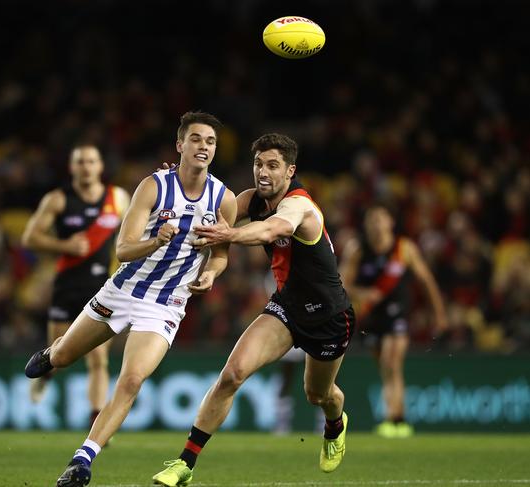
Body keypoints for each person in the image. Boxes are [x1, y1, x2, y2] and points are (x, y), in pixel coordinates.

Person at [24, 111, 237, 487]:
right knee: (63, 357)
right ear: (180, 145)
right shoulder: (153, 187)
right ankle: (52, 353)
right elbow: (122, 250)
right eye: (197, 139)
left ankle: (83, 460)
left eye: (211, 142)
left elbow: (221, 254)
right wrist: (157, 240)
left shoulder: (224, 199)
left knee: (132, 379)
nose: (204, 147)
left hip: (166, 305)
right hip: (121, 292)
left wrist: (211, 273)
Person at [152, 133, 356, 487]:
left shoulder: (299, 206)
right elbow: (211, 206)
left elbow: (270, 230)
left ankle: (336, 424)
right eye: (259, 164)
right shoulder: (252, 199)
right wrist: (179, 180)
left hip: (329, 316)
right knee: (232, 374)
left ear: (290, 171)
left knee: (317, 394)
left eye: (273, 166)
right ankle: (184, 463)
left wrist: (226, 236)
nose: (263, 172)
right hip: (286, 308)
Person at [21, 144, 130, 426]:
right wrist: (63, 245)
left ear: (100, 166)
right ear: (72, 168)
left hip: (102, 288)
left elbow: (135, 231)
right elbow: (30, 237)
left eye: (91, 161)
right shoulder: (57, 200)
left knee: (98, 360)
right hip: (66, 285)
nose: (86, 167)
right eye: (80, 162)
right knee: (58, 354)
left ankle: (96, 421)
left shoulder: (117, 198)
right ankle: (44, 378)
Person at [338, 203, 448, 438]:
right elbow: (341, 284)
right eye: (372, 219)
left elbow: (426, 281)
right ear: (366, 224)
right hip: (372, 316)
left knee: (391, 360)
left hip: (398, 313)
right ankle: (398, 419)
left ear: (391, 222)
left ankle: (395, 418)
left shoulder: (403, 248)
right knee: (386, 368)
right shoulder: (357, 249)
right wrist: (362, 294)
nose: (376, 224)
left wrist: (439, 314)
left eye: (381, 219)